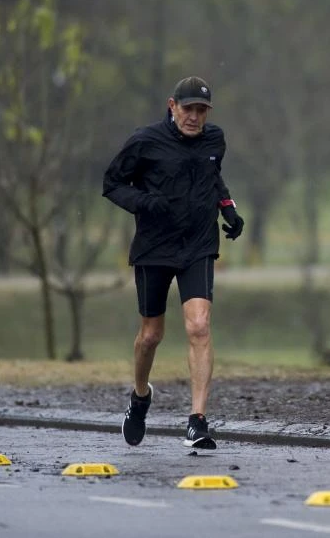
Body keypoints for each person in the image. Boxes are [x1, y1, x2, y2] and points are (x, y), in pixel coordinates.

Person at [102, 75, 244, 449]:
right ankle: (140, 396)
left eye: (201, 110)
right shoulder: (145, 141)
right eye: (188, 109)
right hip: (155, 247)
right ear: (172, 106)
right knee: (151, 336)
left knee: (198, 326)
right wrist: (145, 203)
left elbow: (212, 178)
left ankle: (197, 421)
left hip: (198, 244)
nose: (195, 117)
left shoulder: (215, 141)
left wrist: (228, 209)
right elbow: (112, 183)